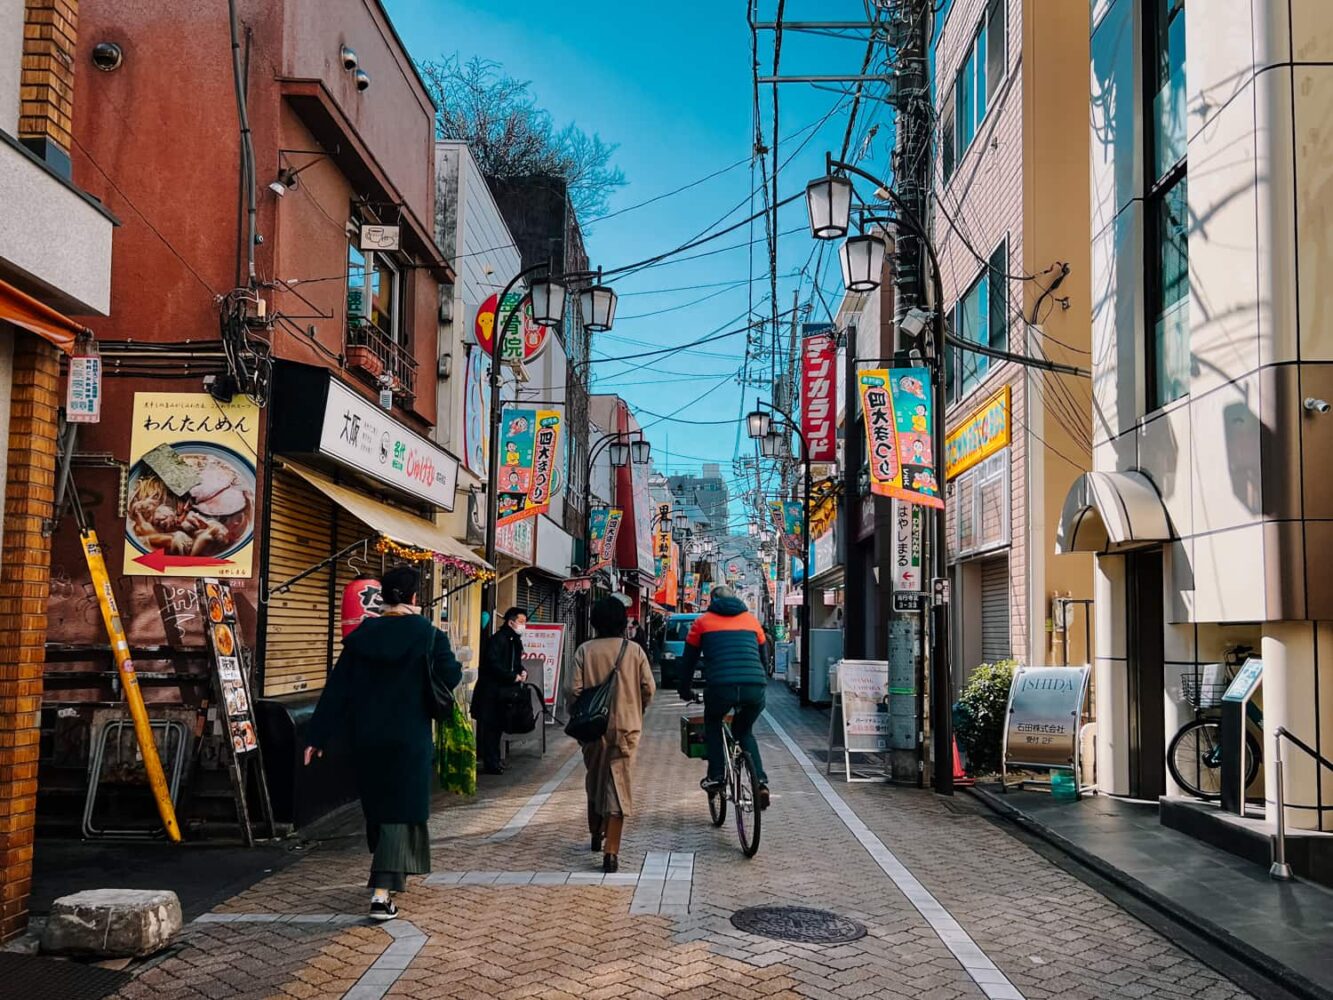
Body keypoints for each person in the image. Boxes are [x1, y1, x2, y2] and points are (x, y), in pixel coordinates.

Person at [304, 565, 461, 921]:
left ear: (383, 597)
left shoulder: (362, 637)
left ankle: (388, 872)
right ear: (415, 597)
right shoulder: (428, 634)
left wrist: (317, 735)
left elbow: (338, 688)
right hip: (409, 738)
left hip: (368, 737)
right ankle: (381, 892)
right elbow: (449, 675)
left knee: (378, 809)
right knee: (401, 811)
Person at [572, 596, 655, 873]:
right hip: (626, 727)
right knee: (618, 782)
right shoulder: (634, 651)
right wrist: (635, 707)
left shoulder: (585, 651)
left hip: (592, 728)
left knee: (595, 778)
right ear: (622, 621)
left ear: (594, 621)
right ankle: (612, 851)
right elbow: (648, 688)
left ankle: (596, 832)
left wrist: (581, 711)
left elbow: (572, 691)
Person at [678, 585, 770, 809]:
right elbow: (764, 658)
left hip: (721, 686)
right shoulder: (751, 621)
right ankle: (760, 782)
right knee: (744, 731)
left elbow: (688, 661)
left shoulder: (702, 622)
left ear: (712, 600)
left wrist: (685, 690)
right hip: (754, 686)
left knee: (713, 721)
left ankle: (717, 776)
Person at [472, 606, 527, 774]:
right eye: (521, 622)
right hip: (491, 692)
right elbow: (492, 664)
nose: (524, 625)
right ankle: (491, 762)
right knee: (491, 727)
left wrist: (522, 671)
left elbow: (515, 662)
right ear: (511, 622)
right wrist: (511, 676)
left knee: (497, 727)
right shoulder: (499, 639)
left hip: (503, 692)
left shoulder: (514, 640)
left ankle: (495, 760)